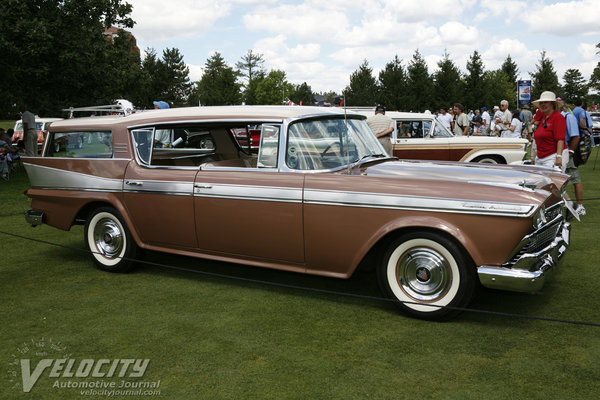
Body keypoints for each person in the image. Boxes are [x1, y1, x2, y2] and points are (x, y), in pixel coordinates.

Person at [559, 99, 585, 216]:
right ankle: (570, 205)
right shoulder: (558, 117)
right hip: (559, 153)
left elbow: (576, 136)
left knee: (575, 179)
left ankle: (579, 206)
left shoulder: (568, 117)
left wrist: (570, 152)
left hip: (567, 152)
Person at [530, 91, 565, 170]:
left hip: (552, 156)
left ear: (552, 104)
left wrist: (559, 156)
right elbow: (541, 140)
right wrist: (536, 155)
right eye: (541, 103)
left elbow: (560, 138)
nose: (543, 104)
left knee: (549, 181)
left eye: (546, 102)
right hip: (540, 156)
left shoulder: (558, 117)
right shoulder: (543, 118)